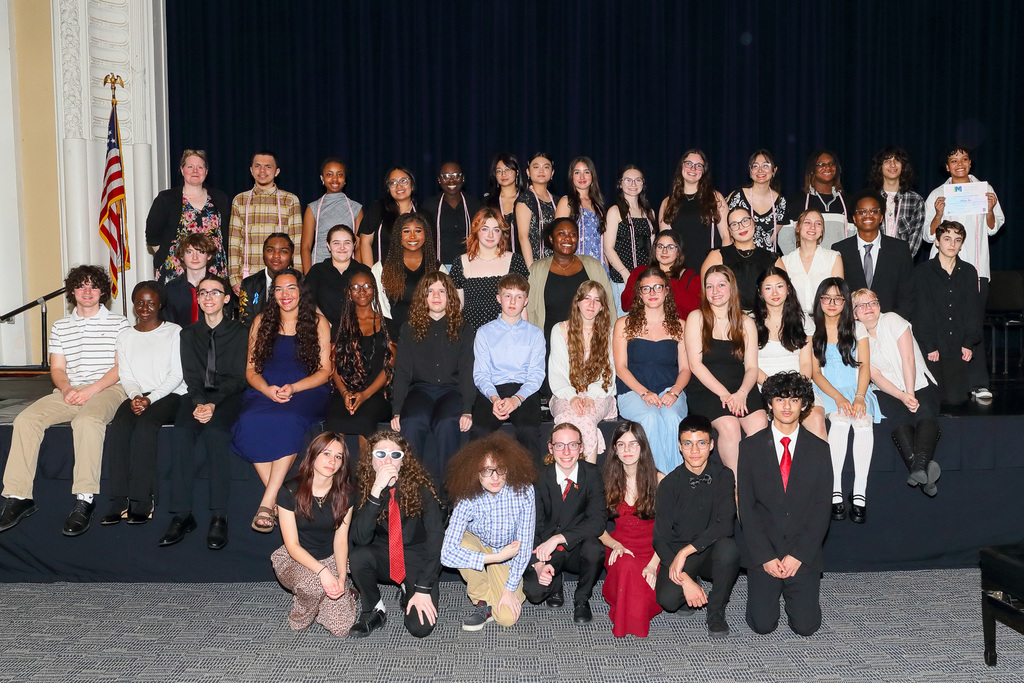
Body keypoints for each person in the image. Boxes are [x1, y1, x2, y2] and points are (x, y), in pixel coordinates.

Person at [0, 266, 129, 536]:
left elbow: (121, 368)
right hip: (69, 389)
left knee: (87, 420)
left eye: (93, 286)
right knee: (26, 420)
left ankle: (85, 500)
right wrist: (67, 388)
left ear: (103, 292)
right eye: (81, 286)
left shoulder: (119, 323)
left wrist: (91, 390)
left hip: (109, 387)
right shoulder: (61, 326)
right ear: (72, 291)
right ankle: (18, 496)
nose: (87, 292)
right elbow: (57, 370)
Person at [233, 269, 332, 534]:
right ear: (272, 293)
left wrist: (294, 388)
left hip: (306, 390)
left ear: (301, 291)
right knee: (249, 419)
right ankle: (281, 497)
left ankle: (268, 502)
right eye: (278, 289)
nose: (284, 295)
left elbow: (325, 371)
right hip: (265, 389)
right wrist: (268, 391)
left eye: (290, 288)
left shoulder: (318, 322)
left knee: (288, 418)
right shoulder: (261, 321)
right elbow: (251, 371)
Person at [738, 371, 832, 637]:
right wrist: (765, 557)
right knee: (762, 625)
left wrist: (799, 555)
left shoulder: (820, 449)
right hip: (764, 553)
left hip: (802, 554)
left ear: (804, 405)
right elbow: (747, 507)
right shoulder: (750, 448)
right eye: (780, 399)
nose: (787, 406)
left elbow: (822, 508)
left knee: (806, 627)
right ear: (769, 404)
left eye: (794, 400)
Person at [160, 275, 247, 549]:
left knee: (217, 434)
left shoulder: (241, 332)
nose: (208, 297)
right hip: (198, 395)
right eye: (203, 293)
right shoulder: (187, 334)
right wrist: (199, 402)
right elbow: (192, 376)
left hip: (228, 396)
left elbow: (237, 378)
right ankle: (182, 515)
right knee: (182, 432)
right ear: (197, 298)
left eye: (215, 292)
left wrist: (213, 404)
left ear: (226, 298)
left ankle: (219, 516)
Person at [922, 145, 1004, 401]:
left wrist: (989, 208)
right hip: (942, 271)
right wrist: (937, 214)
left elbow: (993, 228)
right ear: (946, 167)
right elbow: (927, 234)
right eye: (953, 160)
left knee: (972, 325)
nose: (959, 163)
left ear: (970, 164)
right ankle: (939, 382)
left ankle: (978, 383)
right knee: (941, 324)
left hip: (976, 270)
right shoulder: (938, 193)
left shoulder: (985, 190)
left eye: (964, 159)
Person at [101, 281, 186, 525]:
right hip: (138, 394)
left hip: (170, 395)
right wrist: (136, 396)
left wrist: (149, 399)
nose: (145, 307)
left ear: (160, 305)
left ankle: (143, 499)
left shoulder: (174, 332)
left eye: (151, 303)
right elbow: (126, 375)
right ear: (134, 305)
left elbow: (176, 375)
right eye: (140, 302)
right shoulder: (125, 336)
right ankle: (119, 499)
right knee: (120, 425)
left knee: (146, 425)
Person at [348, 430, 445, 638]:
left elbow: (437, 540)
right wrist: (376, 490)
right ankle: (374, 610)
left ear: (404, 460)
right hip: (385, 553)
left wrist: (422, 588)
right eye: (380, 454)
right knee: (358, 556)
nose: (387, 461)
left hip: (416, 557)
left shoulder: (422, 487)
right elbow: (360, 538)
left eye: (395, 455)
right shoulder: (364, 486)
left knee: (420, 628)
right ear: (371, 458)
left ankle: (408, 589)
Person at [653, 415, 740, 638]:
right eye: (688, 443)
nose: (695, 450)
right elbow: (660, 538)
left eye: (701, 443)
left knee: (729, 548)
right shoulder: (669, 484)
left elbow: (726, 525)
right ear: (680, 446)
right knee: (668, 600)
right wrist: (685, 578)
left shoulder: (724, 475)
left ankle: (716, 612)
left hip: (712, 550)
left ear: (711, 445)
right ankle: (693, 583)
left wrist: (686, 552)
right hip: (680, 552)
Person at [441, 432, 537, 630]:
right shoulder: (467, 496)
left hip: (510, 553)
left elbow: (525, 545)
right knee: (462, 544)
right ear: (475, 472)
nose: (494, 477)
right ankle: (483, 602)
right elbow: (446, 555)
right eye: (486, 471)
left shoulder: (524, 490)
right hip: (482, 547)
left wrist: (509, 590)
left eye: (499, 469)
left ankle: (496, 595)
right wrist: (492, 558)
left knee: (506, 618)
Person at [853, 288, 943, 497]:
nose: (868, 308)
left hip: (918, 381)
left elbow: (908, 359)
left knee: (926, 412)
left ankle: (918, 468)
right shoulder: (857, 335)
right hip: (889, 391)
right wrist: (902, 396)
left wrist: (910, 392)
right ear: (855, 313)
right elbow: (875, 376)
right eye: (861, 305)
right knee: (900, 419)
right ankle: (923, 472)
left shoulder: (892, 320)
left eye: (872, 302)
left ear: (879, 306)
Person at [271, 432, 358, 636]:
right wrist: (323, 573)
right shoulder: (289, 492)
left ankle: (338, 596)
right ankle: (304, 608)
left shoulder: (346, 493)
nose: (332, 461)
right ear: (313, 455)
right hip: (297, 559)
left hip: (330, 557)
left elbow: (340, 540)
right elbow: (292, 545)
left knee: (341, 628)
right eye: (326, 453)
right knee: (312, 586)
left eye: (338, 457)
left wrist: (342, 577)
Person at [391, 272, 475, 484]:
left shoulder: (464, 328)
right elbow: (401, 372)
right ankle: (412, 489)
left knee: (447, 424)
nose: (436, 296)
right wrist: (397, 411)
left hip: (451, 391)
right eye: (430, 291)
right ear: (423, 296)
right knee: (411, 422)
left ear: (450, 296)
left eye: (442, 291)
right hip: (420, 391)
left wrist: (467, 409)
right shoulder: (408, 329)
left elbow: (467, 370)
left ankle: (448, 493)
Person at [683, 265, 767, 475]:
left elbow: (751, 368)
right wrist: (725, 395)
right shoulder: (696, 318)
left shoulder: (746, 322)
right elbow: (695, 365)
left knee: (759, 422)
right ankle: (737, 488)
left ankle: (757, 484)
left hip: (740, 386)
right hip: (707, 389)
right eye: (709, 286)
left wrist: (741, 393)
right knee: (729, 425)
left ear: (732, 288)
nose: (715, 291)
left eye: (721, 285)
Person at [810, 278, 881, 523]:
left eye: (838, 298)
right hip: (827, 390)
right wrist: (839, 398)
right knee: (840, 422)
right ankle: (835, 489)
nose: (832, 303)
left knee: (862, 423)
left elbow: (864, 368)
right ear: (819, 300)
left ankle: (859, 492)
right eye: (827, 298)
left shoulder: (856, 327)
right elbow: (815, 373)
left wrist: (860, 397)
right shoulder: (812, 328)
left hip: (857, 388)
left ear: (845, 302)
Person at [523, 423, 607, 625]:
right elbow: (532, 524)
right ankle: (555, 582)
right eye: (560, 445)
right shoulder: (539, 477)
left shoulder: (593, 474)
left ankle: (582, 599)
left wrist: (559, 538)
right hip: (548, 550)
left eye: (572, 445)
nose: (567, 452)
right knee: (535, 593)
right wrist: (539, 564)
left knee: (595, 549)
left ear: (581, 448)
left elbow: (597, 522)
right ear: (550, 448)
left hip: (578, 547)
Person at [613, 267, 690, 474]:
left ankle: (675, 480)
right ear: (639, 293)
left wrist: (674, 392)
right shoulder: (624, 324)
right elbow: (620, 368)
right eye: (646, 289)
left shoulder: (681, 326)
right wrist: (644, 393)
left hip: (670, 389)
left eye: (657, 287)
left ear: (666, 291)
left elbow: (685, 369)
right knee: (650, 418)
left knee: (672, 416)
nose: (652, 293)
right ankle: (658, 480)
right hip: (634, 391)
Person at [599, 421, 664, 638]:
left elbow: (669, 530)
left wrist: (654, 565)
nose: (627, 450)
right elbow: (596, 528)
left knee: (644, 598)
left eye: (633, 444)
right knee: (626, 564)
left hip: (654, 552)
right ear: (615, 450)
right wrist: (615, 544)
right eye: (621, 444)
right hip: (620, 546)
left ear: (643, 447)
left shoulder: (660, 480)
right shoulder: (606, 481)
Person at [471, 274, 545, 457]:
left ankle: (533, 483)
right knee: (479, 431)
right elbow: (481, 374)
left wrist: (516, 399)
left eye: (519, 296)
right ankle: (476, 483)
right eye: (507, 295)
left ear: (526, 301)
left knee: (528, 430)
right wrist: (495, 400)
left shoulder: (535, 334)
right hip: (493, 390)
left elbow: (536, 375)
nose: (513, 301)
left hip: (523, 391)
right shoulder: (484, 333)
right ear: (498, 298)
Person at [324, 272, 396, 452]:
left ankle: (365, 477)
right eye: (355, 287)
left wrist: (365, 395)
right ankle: (338, 478)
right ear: (348, 292)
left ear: (374, 290)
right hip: (346, 390)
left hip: (377, 393)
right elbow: (334, 365)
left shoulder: (388, 325)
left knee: (364, 421)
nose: (361, 291)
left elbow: (390, 367)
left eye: (367, 286)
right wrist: (345, 393)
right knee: (334, 421)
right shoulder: (340, 325)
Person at [753, 267, 827, 440]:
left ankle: (819, 467)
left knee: (816, 419)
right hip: (763, 386)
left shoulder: (802, 320)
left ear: (788, 288)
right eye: (768, 287)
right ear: (760, 292)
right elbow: (750, 366)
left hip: (798, 385)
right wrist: (776, 391)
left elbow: (806, 363)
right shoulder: (750, 322)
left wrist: (795, 391)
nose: (775, 292)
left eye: (779, 286)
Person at [913, 221, 982, 405]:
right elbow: (921, 312)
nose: (952, 244)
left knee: (957, 401)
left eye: (957, 240)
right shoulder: (923, 271)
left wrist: (968, 343)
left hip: (958, 346)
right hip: (933, 347)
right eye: (947, 239)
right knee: (933, 400)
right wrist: (930, 345)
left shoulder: (969, 272)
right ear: (937, 242)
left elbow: (972, 310)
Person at [548, 281, 617, 463]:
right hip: (566, 393)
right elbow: (557, 372)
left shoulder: (609, 334)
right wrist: (572, 397)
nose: (591, 305)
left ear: (602, 307)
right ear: (577, 302)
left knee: (586, 421)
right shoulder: (560, 330)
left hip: (599, 394)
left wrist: (590, 396)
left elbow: (608, 375)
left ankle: (588, 480)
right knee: (565, 420)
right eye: (586, 298)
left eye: (597, 300)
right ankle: (565, 478)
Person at [526, 217, 615, 348]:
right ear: (551, 238)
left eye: (573, 234)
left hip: (590, 346)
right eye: (561, 233)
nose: (568, 238)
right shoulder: (537, 269)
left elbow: (609, 307)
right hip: (549, 346)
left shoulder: (593, 266)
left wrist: (610, 342)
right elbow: (530, 311)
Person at [145, 149, 230, 283]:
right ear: (182, 169)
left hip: (214, 269)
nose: (195, 171)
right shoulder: (166, 199)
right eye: (190, 166)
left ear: (206, 171)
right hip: (176, 270)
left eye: (200, 167)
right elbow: (152, 235)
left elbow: (226, 233)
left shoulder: (220, 198)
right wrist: (167, 254)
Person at [227, 150, 303, 293]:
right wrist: (235, 279)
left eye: (268, 166)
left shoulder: (290, 200)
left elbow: (296, 243)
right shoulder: (240, 200)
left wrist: (296, 277)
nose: (262, 170)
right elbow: (234, 243)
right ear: (251, 170)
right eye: (257, 166)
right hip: (249, 278)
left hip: (282, 278)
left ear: (277, 171)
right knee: (250, 316)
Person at [834, 190, 916, 320]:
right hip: (852, 326)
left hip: (891, 327)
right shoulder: (840, 250)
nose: (868, 215)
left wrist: (892, 324)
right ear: (854, 218)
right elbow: (838, 294)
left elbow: (909, 294)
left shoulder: (900, 249)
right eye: (862, 212)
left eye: (873, 211)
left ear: (881, 217)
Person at [449, 207, 530, 331]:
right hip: (471, 335)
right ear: (476, 231)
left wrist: (524, 335)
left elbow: (522, 306)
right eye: (485, 229)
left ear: (502, 233)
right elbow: (457, 307)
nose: (491, 235)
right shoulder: (461, 263)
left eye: (496, 230)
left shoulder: (514, 261)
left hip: (506, 334)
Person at [371, 212, 445, 330]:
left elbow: (445, 304)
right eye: (406, 231)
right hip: (393, 333)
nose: (412, 236)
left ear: (426, 233)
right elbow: (378, 305)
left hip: (430, 331)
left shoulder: (437, 268)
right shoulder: (381, 268)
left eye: (417, 231)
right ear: (397, 235)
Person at [658, 149, 730, 272]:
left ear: (703, 170)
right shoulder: (667, 203)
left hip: (710, 270)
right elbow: (665, 244)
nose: (693, 168)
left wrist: (724, 267)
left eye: (698, 165)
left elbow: (726, 237)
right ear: (682, 166)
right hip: (680, 272)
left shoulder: (716, 198)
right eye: (688, 163)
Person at [701, 207, 778, 312]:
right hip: (728, 319)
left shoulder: (772, 258)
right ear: (729, 231)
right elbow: (706, 295)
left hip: (764, 319)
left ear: (753, 222)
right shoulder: (717, 256)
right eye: (734, 224)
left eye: (745, 221)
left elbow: (784, 294)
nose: (741, 227)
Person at [604, 164, 656, 317]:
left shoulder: (649, 213)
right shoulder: (615, 211)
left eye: (637, 180)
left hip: (645, 279)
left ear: (643, 183)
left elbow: (653, 248)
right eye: (628, 180)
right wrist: (626, 275)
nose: (633, 184)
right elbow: (608, 248)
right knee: (622, 322)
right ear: (620, 184)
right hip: (622, 280)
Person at [302, 224, 372, 333]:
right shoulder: (317, 271)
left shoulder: (365, 272)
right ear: (328, 246)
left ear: (354, 245)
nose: (342, 247)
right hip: (323, 332)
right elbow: (307, 301)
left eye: (347, 242)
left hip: (360, 332)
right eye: (336, 243)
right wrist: (325, 326)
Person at [780, 149, 849, 252]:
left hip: (839, 265)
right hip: (805, 266)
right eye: (821, 164)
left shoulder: (848, 201)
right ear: (812, 169)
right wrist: (796, 263)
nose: (827, 167)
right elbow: (784, 239)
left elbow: (853, 238)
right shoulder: (796, 201)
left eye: (831, 164)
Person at [621, 230, 701, 318]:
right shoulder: (640, 272)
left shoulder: (691, 278)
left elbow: (697, 309)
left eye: (670, 247)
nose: (664, 251)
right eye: (660, 246)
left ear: (678, 251)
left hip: (678, 327)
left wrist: (668, 283)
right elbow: (626, 305)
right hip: (644, 325)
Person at [300, 157, 362, 269]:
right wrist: (309, 276)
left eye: (339, 175)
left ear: (345, 179)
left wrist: (355, 271)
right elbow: (306, 246)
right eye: (329, 174)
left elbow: (359, 246)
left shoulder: (356, 208)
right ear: (322, 178)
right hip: (319, 269)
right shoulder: (313, 208)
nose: (335, 179)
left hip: (348, 268)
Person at [779, 209, 844, 316]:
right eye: (807, 222)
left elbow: (838, 298)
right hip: (795, 321)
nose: (812, 227)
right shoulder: (785, 261)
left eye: (818, 224)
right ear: (797, 228)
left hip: (825, 320)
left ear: (822, 230)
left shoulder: (833, 258)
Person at [865, 146, 926, 257]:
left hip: (902, 264)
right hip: (872, 261)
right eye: (887, 161)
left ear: (903, 166)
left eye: (897, 160)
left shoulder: (916, 201)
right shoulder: (869, 199)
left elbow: (915, 237)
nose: (893, 165)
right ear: (880, 167)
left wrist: (901, 263)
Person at [726, 149, 787, 253]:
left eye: (765, 165)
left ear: (774, 170)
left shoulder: (780, 202)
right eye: (755, 166)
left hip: (765, 257)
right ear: (750, 171)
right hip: (738, 255)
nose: (760, 170)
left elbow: (771, 238)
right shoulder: (736, 196)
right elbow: (727, 233)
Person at [422, 161, 481, 267]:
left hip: (469, 265)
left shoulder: (475, 205)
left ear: (463, 178)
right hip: (439, 267)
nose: (451, 180)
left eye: (456, 175)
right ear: (439, 180)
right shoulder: (429, 206)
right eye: (446, 176)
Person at [358, 166, 417, 265]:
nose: (399, 186)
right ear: (388, 188)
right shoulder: (377, 209)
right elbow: (365, 242)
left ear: (412, 185)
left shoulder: (421, 213)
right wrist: (371, 274)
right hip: (380, 274)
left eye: (403, 181)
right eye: (393, 183)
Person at [556, 156, 607, 270]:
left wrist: (606, 270)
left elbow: (602, 244)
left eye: (586, 172)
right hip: (575, 266)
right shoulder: (566, 202)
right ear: (571, 176)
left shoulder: (599, 206)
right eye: (577, 172)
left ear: (592, 175)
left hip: (599, 267)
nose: (582, 177)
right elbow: (558, 238)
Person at [237, 233, 295, 326]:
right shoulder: (249, 284)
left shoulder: (301, 283)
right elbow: (246, 324)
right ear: (263, 254)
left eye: (283, 251)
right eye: (270, 250)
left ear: (291, 256)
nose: (276, 256)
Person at [163, 232, 217, 327]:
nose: (195, 257)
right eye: (189, 252)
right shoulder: (171, 289)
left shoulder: (219, 287)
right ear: (182, 256)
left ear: (209, 256)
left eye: (200, 252)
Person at [515, 152, 559, 266]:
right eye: (536, 167)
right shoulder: (525, 199)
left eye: (546, 167)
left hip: (556, 263)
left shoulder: (558, 201)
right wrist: (532, 270)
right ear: (528, 172)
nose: (541, 171)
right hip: (535, 264)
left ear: (552, 172)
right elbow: (523, 238)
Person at [483, 152, 525, 249]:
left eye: (508, 169)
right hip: (496, 258)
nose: (503, 174)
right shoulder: (488, 201)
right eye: (499, 171)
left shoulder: (527, 199)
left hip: (523, 259)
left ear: (517, 172)